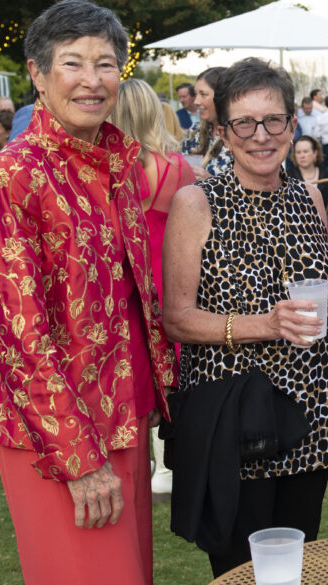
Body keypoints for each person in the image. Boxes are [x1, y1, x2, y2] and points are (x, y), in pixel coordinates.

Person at [0, 0, 177, 585]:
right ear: (37, 74)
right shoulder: (13, 175)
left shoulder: (114, 160)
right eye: (73, 63)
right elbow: (20, 336)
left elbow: (132, 299)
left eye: (106, 63)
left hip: (125, 417)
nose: (92, 80)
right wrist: (80, 463)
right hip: (59, 436)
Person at [161, 57, 328, 576]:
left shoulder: (309, 198)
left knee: (298, 565)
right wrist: (265, 324)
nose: (260, 135)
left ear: (292, 125)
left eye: (273, 120)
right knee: (241, 570)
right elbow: (177, 317)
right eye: (244, 123)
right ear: (223, 131)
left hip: (313, 416)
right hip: (236, 423)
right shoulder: (197, 201)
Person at [109, 78, 196, 497]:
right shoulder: (177, 167)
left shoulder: (107, 169)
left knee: (132, 362)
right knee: (171, 364)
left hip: (125, 277)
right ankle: (166, 463)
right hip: (167, 273)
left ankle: (137, 458)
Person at [288, 135, 328, 243]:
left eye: (305, 151)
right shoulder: (289, 177)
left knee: (323, 217)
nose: (302, 156)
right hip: (300, 227)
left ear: (315, 153)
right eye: (298, 152)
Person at [192, 67, 233, 176]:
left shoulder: (240, 135)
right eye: (196, 94)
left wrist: (210, 182)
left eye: (203, 94)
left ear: (221, 97)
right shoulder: (194, 132)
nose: (196, 101)